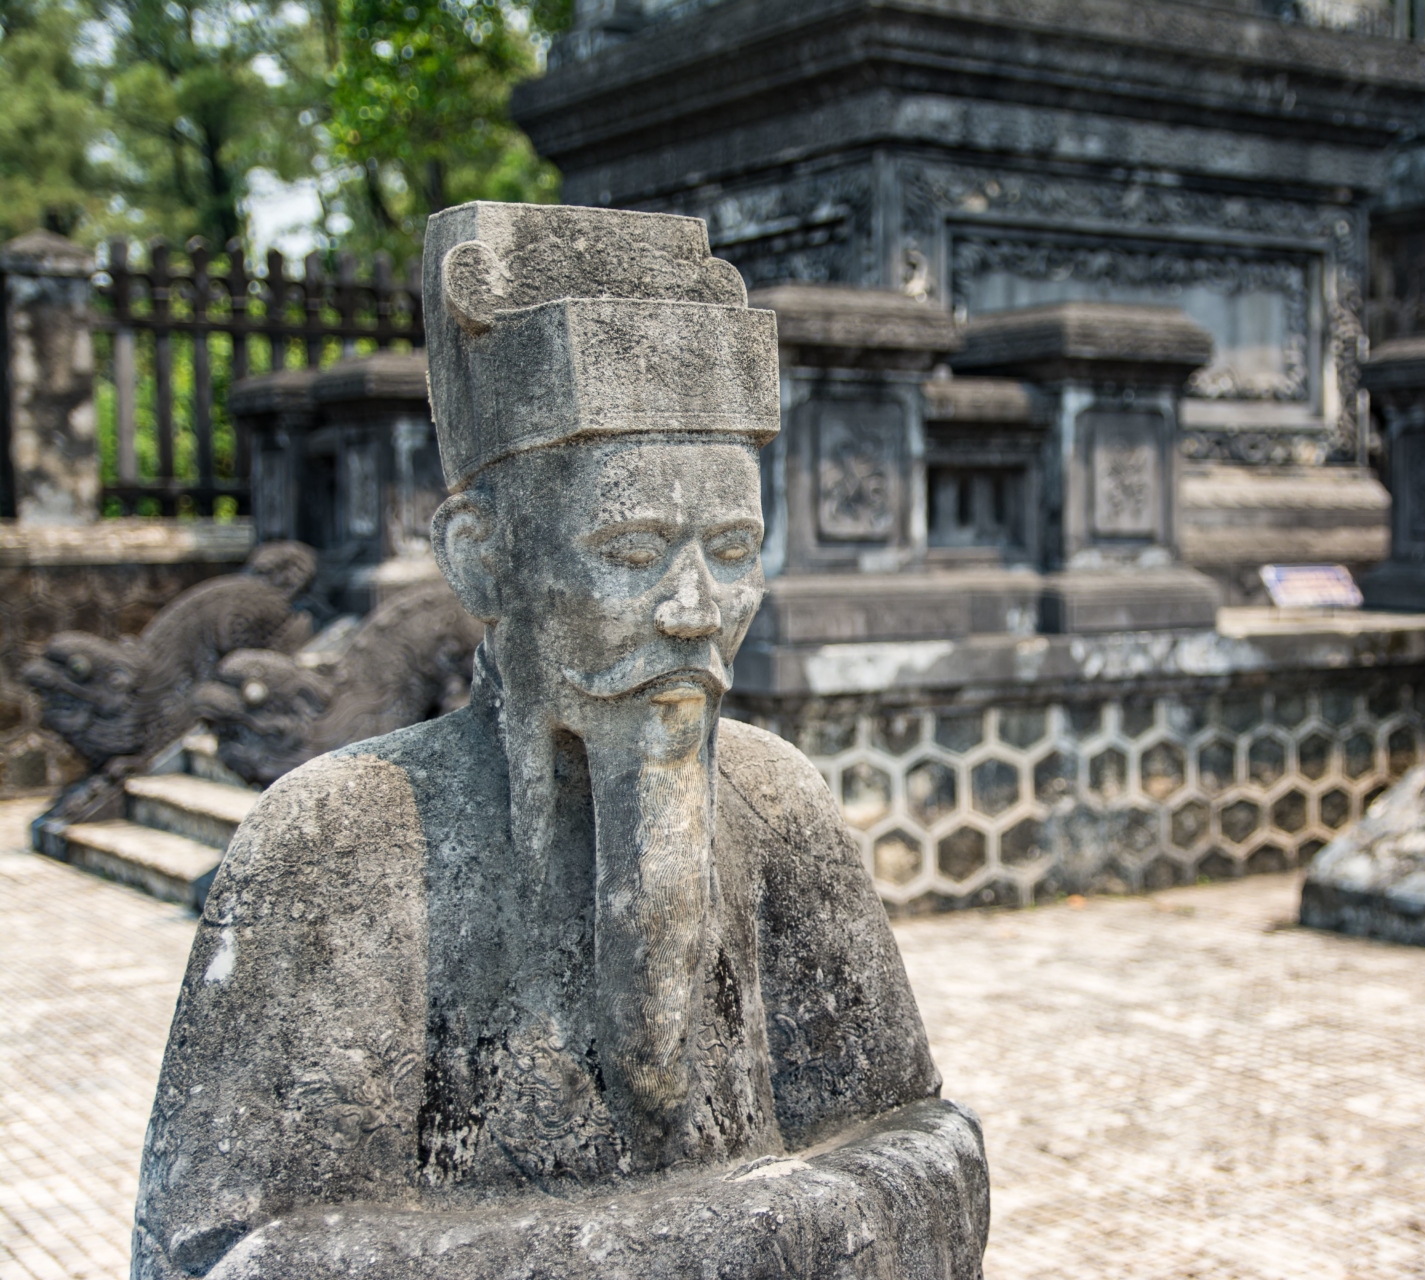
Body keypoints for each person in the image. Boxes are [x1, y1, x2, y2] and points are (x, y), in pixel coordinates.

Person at [133, 203, 988, 1279]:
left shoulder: (777, 804)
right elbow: (226, 1252)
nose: (694, 607)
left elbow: (928, 1145)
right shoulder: (337, 844)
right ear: (484, 558)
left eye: (731, 549)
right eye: (631, 547)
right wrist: (732, 1234)